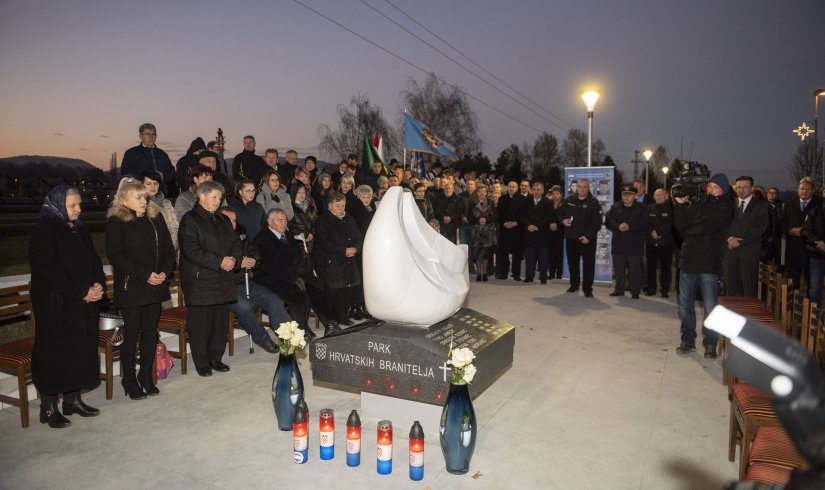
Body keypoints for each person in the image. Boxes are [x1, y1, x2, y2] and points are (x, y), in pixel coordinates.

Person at [30, 185, 105, 428]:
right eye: (72, 205)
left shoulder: (80, 229)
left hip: (82, 303)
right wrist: (82, 290)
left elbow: (94, 259)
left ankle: (73, 400)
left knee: (78, 350)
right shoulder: (44, 231)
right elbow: (49, 270)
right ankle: (48, 407)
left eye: (79, 205)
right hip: (56, 305)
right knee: (54, 354)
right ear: (57, 205)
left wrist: (98, 284)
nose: (78, 209)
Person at [106, 177, 175, 398]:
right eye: (138, 197)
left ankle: (146, 374)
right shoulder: (117, 221)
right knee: (132, 333)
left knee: (149, 333)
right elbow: (116, 256)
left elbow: (168, 249)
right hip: (132, 287)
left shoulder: (155, 218)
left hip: (155, 285)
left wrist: (164, 272)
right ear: (124, 199)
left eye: (145, 197)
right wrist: (145, 275)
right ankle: (128, 378)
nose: (144, 201)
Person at [178, 181, 242, 377]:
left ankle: (216, 358)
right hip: (200, 281)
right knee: (201, 324)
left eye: (219, 197)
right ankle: (202, 362)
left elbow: (235, 242)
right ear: (202, 196)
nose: (218, 201)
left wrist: (233, 259)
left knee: (219, 322)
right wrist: (219, 261)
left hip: (222, 279)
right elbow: (191, 250)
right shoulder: (190, 219)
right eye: (214, 197)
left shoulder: (222, 219)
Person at [673, 173, 734, 358]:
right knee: (685, 305)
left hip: (709, 263)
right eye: (711, 186)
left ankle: (710, 344)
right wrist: (680, 205)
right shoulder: (699, 203)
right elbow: (680, 225)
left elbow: (703, 227)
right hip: (689, 261)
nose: (714, 190)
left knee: (710, 307)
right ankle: (688, 340)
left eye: (718, 187)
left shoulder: (726, 207)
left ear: (724, 190)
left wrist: (686, 231)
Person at [254, 209, 339, 336]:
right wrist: (294, 278)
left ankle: (330, 324)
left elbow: (299, 256)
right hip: (273, 278)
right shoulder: (262, 239)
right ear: (269, 222)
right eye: (280, 221)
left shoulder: (287, 235)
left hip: (294, 273)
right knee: (298, 295)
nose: (284, 224)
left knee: (319, 286)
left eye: (285, 221)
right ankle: (302, 332)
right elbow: (272, 266)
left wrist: (301, 274)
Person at [220, 207, 292, 352]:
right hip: (226, 285)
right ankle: (264, 340)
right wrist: (237, 263)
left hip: (247, 281)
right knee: (245, 307)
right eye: (228, 221)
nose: (232, 224)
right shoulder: (214, 240)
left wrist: (254, 260)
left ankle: (289, 339)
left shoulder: (241, 236)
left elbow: (254, 252)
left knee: (273, 300)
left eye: (234, 220)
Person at [315, 192, 363, 325]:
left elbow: (359, 237)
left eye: (342, 206)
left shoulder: (349, 219)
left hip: (349, 258)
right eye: (337, 206)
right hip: (331, 259)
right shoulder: (323, 220)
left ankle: (343, 316)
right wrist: (344, 250)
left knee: (348, 288)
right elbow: (325, 243)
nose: (340, 209)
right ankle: (333, 318)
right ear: (330, 206)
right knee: (334, 290)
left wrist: (356, 248)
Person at [722, 176, 770, 298]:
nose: (741, 190)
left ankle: (748, 316)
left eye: (745, 187)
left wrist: (741, 242)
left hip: (749, 253)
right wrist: (729, 239)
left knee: (749, 289)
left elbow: (760, 228)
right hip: (730, 253)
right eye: (739, 187)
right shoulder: (728, 204)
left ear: (752, 188)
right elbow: (722, 224)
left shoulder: (761, 205)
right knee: (731, 289)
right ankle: (732, 315)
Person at [560, 178, 603, 298]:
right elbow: (560, 212)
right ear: (576, 187)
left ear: (588, 188)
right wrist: (562, 220)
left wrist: (588, 236)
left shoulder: (593, 202)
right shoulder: (569, 199)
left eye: (584, 187)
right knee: (573, 263)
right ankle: (574, 285)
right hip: (571, 238)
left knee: (588, 265)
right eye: (579, 187)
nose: (582, 189)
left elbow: (597, 221)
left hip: (588, 240)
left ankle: (587, 288)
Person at [605, 185, 648, 298]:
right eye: (624, 195)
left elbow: (644, 223)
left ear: (635, 196)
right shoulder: (615, 207)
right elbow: (608, 221)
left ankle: (635, 292)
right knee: (619, 270)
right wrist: (618, 226)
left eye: (629, 195)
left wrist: (630, 227)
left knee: (634, 270)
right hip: (619, 244)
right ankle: (619, 289)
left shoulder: (642, 208)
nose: (626, 197)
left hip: (634, 245)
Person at [781, 177, 819, 291]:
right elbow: (782, 223)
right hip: (793, 249)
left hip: (812, 250)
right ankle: (791, 304)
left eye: (807, 189)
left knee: (813, 284)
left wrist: (805, 231)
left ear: (813, 191)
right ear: (798, 190)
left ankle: (810, 307)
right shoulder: (789, 204)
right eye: (802, 189)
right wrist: (789, 230)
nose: (804, 191)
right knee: (792, 282)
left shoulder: (820, 204)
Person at [121, 123, 176, 197]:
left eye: (153, 134)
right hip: (139, 194)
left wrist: (163, 176)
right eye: (147, 134)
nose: (151, 137)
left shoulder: (162, 154)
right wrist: (146, 178)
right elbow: (126, 173)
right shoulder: (131, 153)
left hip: (160, 195)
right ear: (141, 136)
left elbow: (171, 172)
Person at [349, 185, 376, 319]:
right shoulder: (354, 209)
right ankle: (356, 306)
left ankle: (367, 306)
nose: (366, 199)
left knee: (368, 278)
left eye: (369, 197)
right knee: (359, 278)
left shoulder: (373, 208)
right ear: (358, 197)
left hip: (371, 247)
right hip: (359, 248)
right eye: (363, 197)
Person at [521, 182, 553, 284]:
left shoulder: (548, 202)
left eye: (538, 189)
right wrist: (528, 225)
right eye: (534, 189)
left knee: (543, 258)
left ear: (543, 191)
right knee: (529, 258)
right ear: (531, 190)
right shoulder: (526, 201)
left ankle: (543, 277)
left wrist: (537, 226)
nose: (536, 191)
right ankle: (529, 276)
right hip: (529, 234)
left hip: (542, 234)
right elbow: (522, 216)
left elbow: (548, 217)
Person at [645, 188, 674, 298]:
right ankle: (651, 289)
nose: (659, 196)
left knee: (665, 268)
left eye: (661, 194)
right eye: (657, 195)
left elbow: (670, 224)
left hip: (665, 243)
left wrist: (660, 233)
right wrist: (651, 232)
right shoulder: (649, 208)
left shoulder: (671, 209)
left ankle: (664, 290)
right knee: (651, 267)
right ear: (653, 196)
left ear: (666, 196)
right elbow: (646, 223)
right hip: (651, 242)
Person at [142, 169, 179, 253]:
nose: (153, 187)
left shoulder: (166, 203)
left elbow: (174, 227)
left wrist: (172, 247)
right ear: (142, 185)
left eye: (155, 183)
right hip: (151, 252)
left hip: (170, 250)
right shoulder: (141, 205)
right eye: (148, 184)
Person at [497, 181, 525, 281]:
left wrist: (516, 223)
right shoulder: (502, 199)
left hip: (517, 230)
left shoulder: (522, 199)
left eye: (514, 187)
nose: (511, 188)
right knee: (503, 253)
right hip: (504, 229)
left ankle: (516, 274)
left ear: (517, 188)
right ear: (507, 188)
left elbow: (524, 214)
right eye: (510, 186)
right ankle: (503, 273)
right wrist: (504, 222)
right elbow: (499, 213)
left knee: (517, 253)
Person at [471, 183, 497, 282]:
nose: (481, 193)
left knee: (486, 254)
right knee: (477, 253)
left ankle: (485, 272)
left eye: (483, 191)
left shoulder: (491, 202)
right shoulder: (472, 202)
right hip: (476, 232)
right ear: (476, 193)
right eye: (479, 191)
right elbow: (469, 217)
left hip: (487, 232)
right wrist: (478, 220)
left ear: (486, 193)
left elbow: (495, 216)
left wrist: (486, 220)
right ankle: (479, 273)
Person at [548, 185, 565, 279]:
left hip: (560, 232)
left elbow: (567, 218)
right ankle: (551, 273)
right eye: (553, 194)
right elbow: (545, 217)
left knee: (559, 254)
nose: (555, 196)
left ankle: (559, 273)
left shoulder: (564, 204)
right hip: (550, 232)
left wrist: (557, 225)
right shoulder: (549, 204)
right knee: (550, 253)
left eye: (557, 194)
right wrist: (549, 225)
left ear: (561, 195)